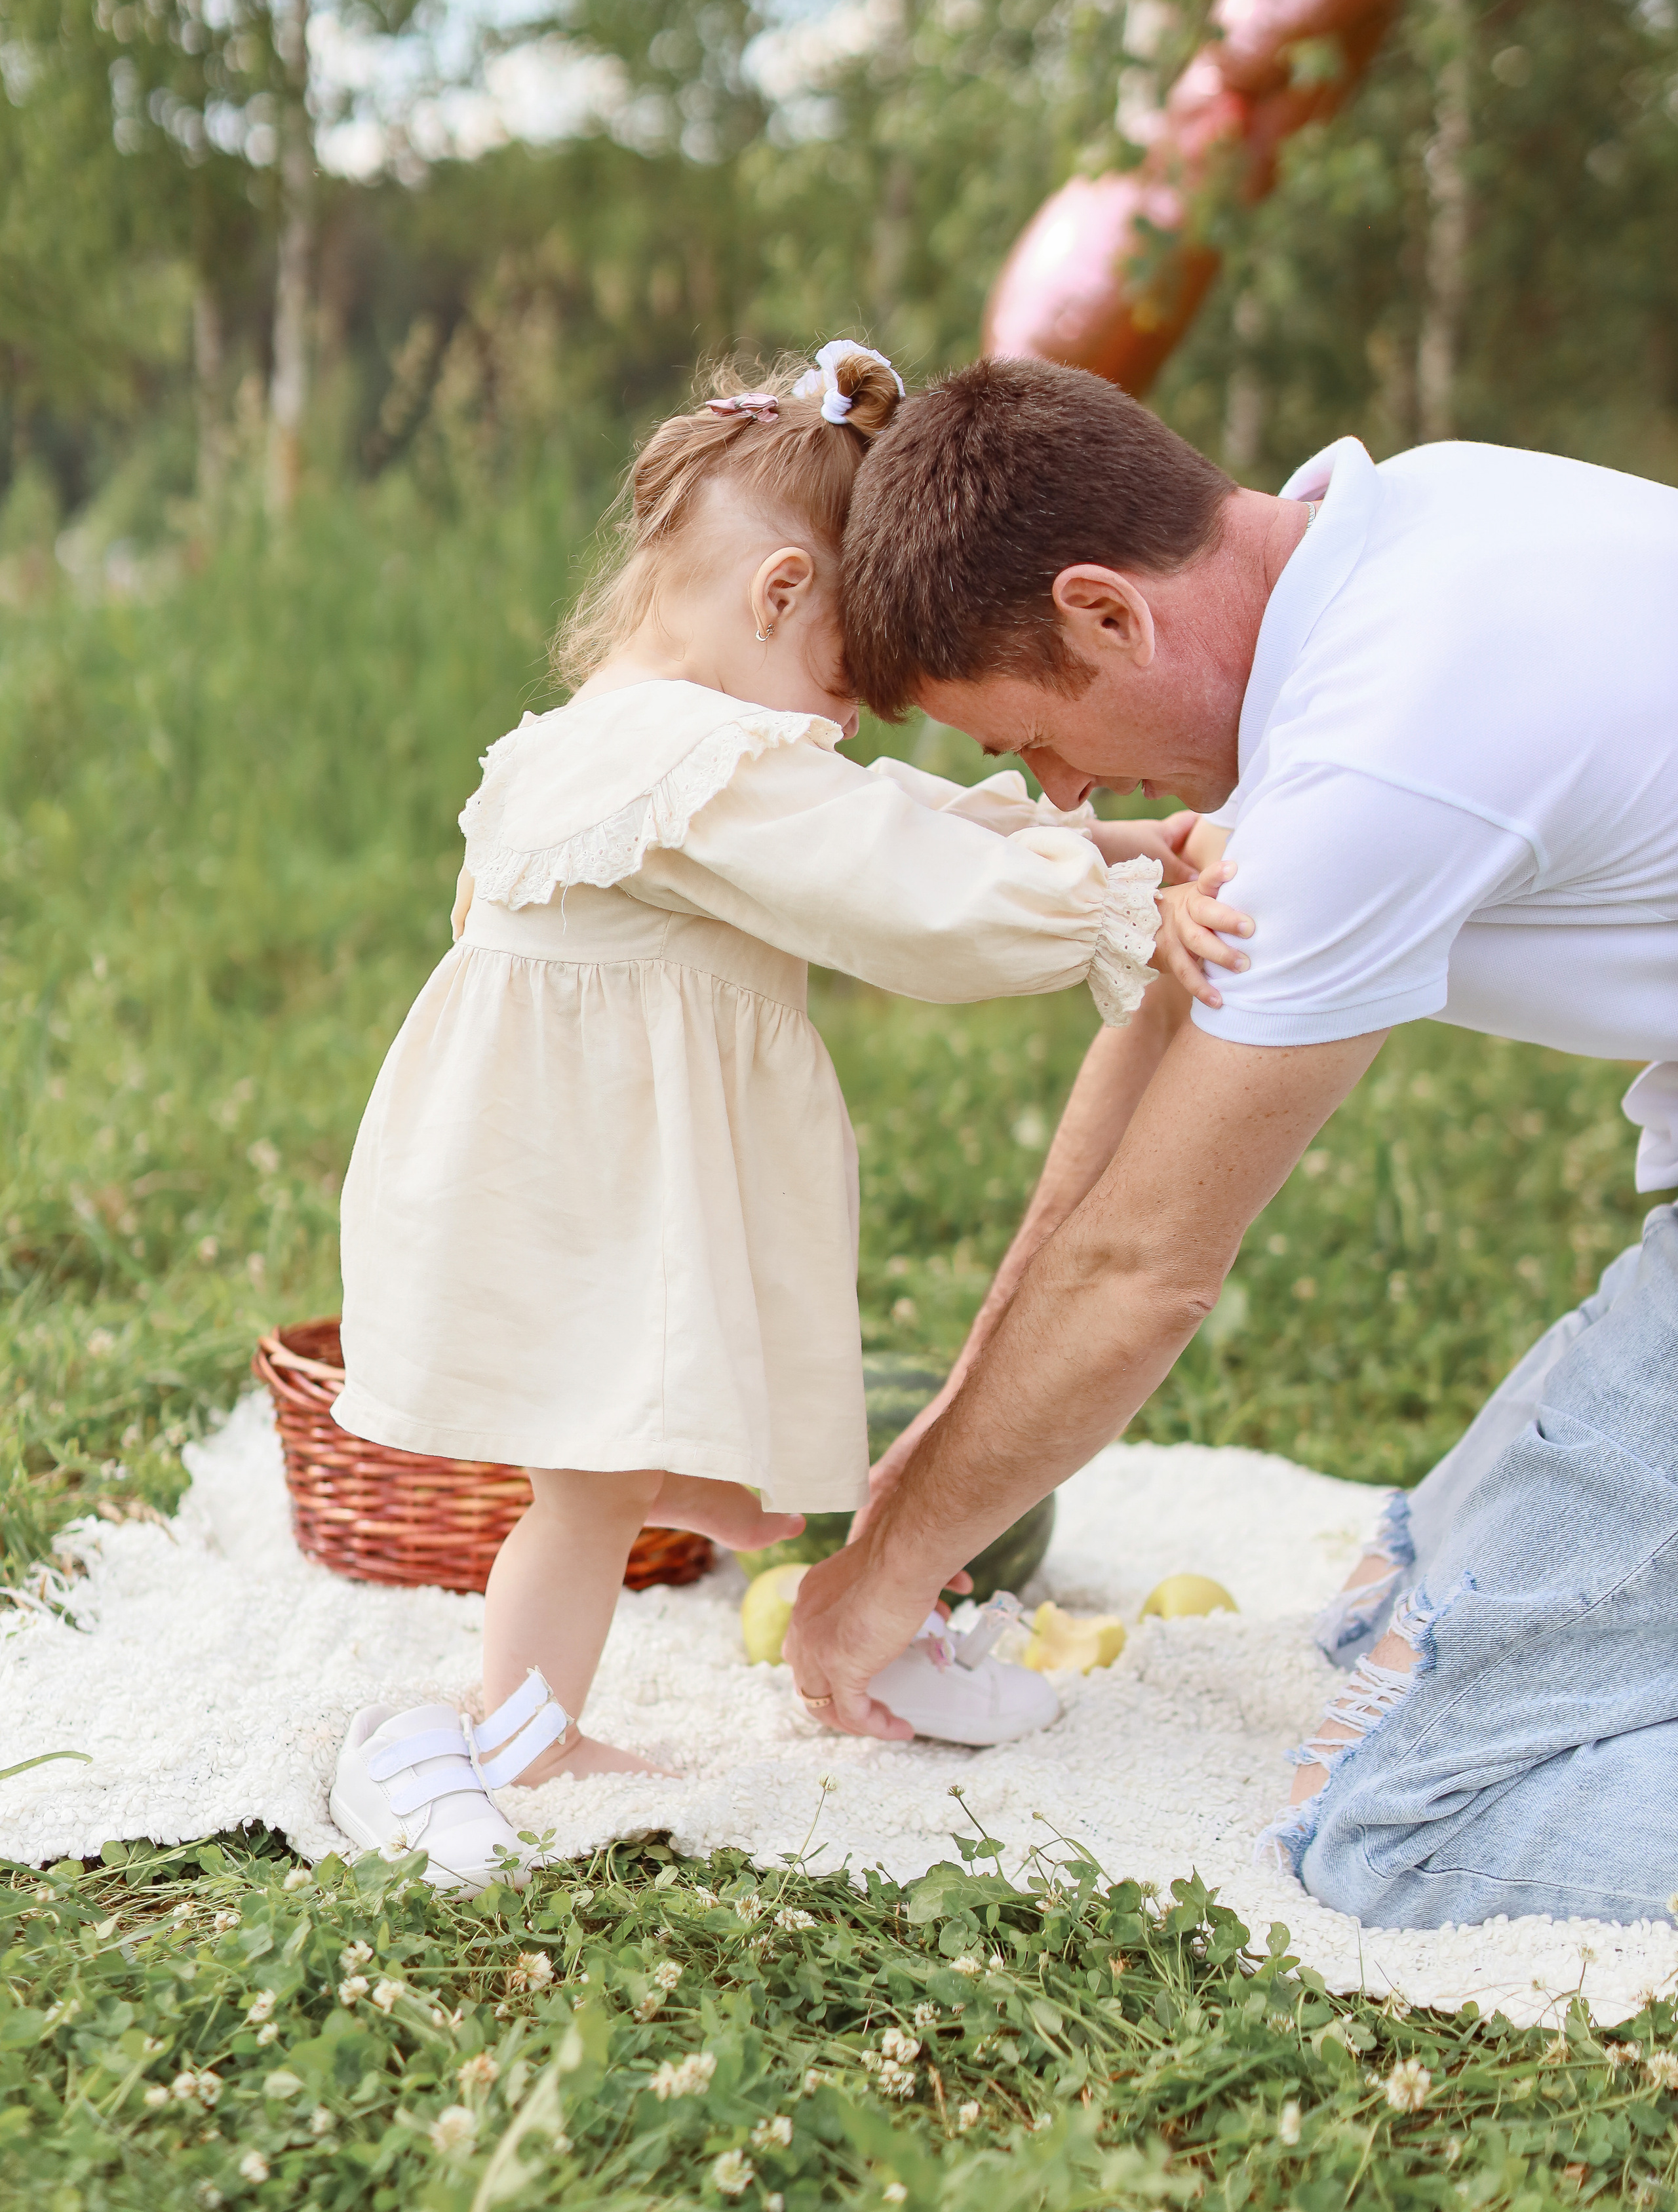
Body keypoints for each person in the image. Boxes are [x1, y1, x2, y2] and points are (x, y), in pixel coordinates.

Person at [324, 341, 1244, 1890]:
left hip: (590, 1164)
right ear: (775, 598)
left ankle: (604, 1641)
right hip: (588, 1173)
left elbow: (877, 819)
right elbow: (884, 883)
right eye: (842, 687)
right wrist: (1102, 916)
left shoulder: (618, 746)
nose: (844, 729)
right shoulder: (699, 766)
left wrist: (1112, 852)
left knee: (618, 1473)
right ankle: (509, 1729)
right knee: (583, 1486)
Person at [784, 354, 1678, 1932]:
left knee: (1394, 1825)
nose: (1061, 795)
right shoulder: (1409, 523)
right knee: (1377, 1624)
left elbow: (1145, 1267)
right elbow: (1131, 1098)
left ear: (1104, 614)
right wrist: (936, 1476)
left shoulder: (1371, 763)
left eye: (1024, 746)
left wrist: (882, 1577)